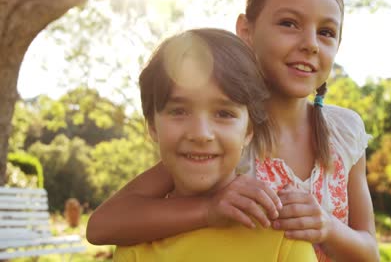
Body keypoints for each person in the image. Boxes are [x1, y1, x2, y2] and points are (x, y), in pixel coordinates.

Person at [88, 0, 379, 261]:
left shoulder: (344, 132)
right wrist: (210, 208)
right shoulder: (225, 140)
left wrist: (327, 227)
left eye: (326, 32)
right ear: (247, 30)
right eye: (289, 23)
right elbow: (104, 225)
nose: (311, 44)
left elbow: (370, 253)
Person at [112, 28, 317, 262]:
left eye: (223, 113)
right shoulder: (134, 248)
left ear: (249, 131)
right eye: (179, 111)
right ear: (152, 126)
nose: (201, 134)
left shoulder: (283, 239)